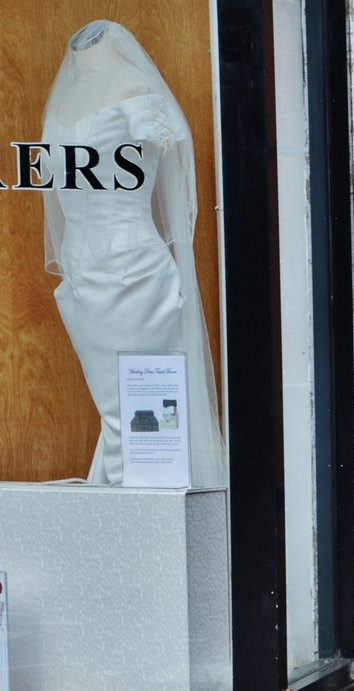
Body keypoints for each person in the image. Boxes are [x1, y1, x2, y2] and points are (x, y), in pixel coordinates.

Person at [42, 20, 225, 489]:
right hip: (84, 279)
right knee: (118, 408)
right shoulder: (61, 103)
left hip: (133, 273)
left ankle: (144, 521)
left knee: (135, 411)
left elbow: (169, 178)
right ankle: (122, 529)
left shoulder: (135, 89)